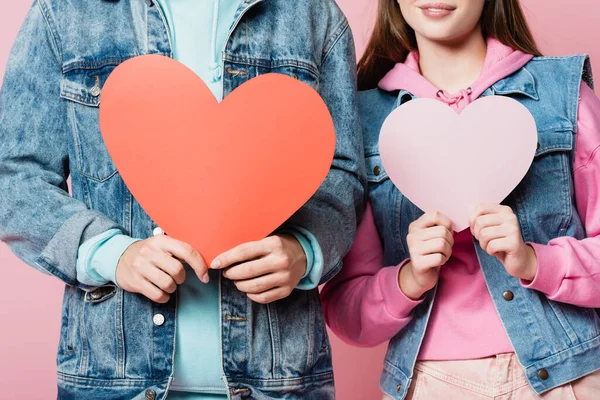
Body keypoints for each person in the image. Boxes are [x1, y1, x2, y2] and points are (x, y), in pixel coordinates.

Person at [0, 0, 366, 398]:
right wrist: (112, 254)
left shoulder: (313, 15)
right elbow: (15, 178)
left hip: (278, 381)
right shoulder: (65, 13)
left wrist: (303, 250)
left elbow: (342, 175)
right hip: (113, 379)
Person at [321, 0, 600, 399]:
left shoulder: (563, 94)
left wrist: (536, 261)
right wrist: (409, 279)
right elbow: (345, 310)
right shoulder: (363, 122)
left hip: (567, 377)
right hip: (429, 383)